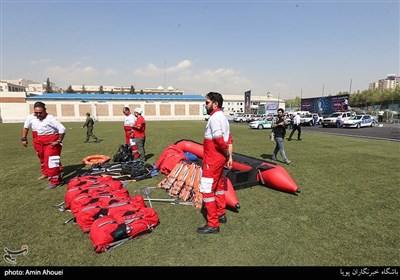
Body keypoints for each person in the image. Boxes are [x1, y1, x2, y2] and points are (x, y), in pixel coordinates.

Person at [197, 92, 233, 234]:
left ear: (215, 104)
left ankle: (213, 223)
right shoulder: (223, 118)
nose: (205, 105)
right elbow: (229, 139)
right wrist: (229, 157)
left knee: (207, 189)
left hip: (213, 159)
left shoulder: (214, 118)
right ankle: (221, 213)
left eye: (207, 102)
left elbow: (218, 139)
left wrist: (226, 154)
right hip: (218, 159)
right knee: (218, 186)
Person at [21, 101, 66, 189]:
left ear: (45, 111)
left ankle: (55, 182)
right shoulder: (30, 117)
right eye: (36, 113)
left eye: (40, 113)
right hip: (39, 143)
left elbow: (62, 129)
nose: (38, 115)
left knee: (51, 161)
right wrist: (24, 139)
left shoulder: (50, 119)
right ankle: (46, 173)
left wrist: (59, 140)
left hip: (51, 143)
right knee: (42, 159)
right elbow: (26, 127)